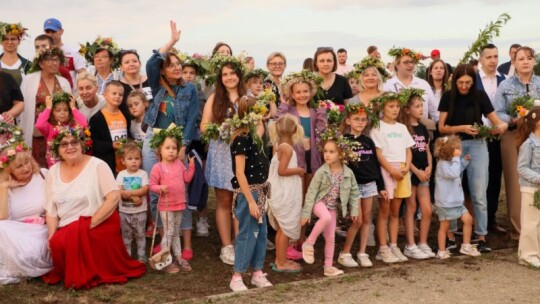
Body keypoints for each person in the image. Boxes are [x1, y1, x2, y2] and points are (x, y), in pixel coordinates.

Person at [43, 126, 146, 289]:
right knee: (56, 243)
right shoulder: (52, 172)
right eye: (64, 144)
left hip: (99, 220)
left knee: (74, 243)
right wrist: (51, 234)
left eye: (74, 142)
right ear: (57, 149)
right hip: (68, 225)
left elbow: (113, 197)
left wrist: (88, 225)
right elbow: (51, 210)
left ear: (82, 144)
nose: (70, 147)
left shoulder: (98, 165)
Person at [438, 64, 508, 253]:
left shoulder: (479, 96)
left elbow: (496, 120)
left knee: (479, 193)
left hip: (477, 145)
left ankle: (481, 235)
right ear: (454, 80)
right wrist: (462, 128)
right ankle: (451, 235)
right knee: (451, 192)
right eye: (460, 82)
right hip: (453, 145)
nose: (464, 86)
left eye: (468, 82)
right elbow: (442, 127)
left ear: (473, 81)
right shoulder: (447, 96)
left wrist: (501, 126)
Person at [143, 22, 199, 254]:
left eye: (179, 64)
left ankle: (185, 243)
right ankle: (164, 238)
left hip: (177, 144)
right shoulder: (157, 85)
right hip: (153, 141)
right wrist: (171, 43)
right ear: (164, 70)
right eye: (171, 65)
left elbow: (191, 120)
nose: (177, 68)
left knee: (179, 192)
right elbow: (151, 63)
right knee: (156, 189)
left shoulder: (190, 89)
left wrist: (184, 146)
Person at [200, 50, 247, 265]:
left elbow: (259, 126)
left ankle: (241, 242)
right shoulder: (214, 99)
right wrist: (224, 129)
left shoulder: (249, 98)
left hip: (244, 153)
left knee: (241, 199)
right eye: (225, 74)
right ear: (220, 78)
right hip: (221, 152)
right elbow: (203, 127)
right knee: (224, 201)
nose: (229, 77)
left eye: (232, 73)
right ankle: (226, 246)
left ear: (239, 75)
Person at [494, 46, 540, 241]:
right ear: (514, 62)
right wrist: (515, 119)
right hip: (513, 135)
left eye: (529, 58)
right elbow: (497, 112)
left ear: (534, 61)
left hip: (538, 135)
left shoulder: (539, 82)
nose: (525, 62)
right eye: (521, 59)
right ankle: (519, 233)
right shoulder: (505, 86)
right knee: (515, 183)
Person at [228, 96, 272, 291]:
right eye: (259, 111)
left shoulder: (259, 135)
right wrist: (251, 202)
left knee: (261, 233)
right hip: (249, 192)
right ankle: (237, 275)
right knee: (247, 232)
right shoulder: (242, 139)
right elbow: (239, 172)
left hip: (260, 190)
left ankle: (257, 272)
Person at [0, 124, 52, 284]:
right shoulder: (6, 186)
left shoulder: (43, 175)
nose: (25, 168)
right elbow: (3, 218)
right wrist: (4, 187)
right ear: (9, 170)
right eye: (18, 166)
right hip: (15, 235)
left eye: (27, 163)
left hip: (40, 233)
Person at [337, 104, 386, 268]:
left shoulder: (368, 141)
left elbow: (375, 165)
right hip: (353, 186)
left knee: (366, 219)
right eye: (356, 119)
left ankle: (362, 253)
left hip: (370, 184)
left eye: (363, 119)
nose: (360, 122)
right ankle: (345, 253)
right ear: (348, 120)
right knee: (356, 220)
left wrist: (381, 186)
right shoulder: (344, 141)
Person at [301, 139, 360, 277]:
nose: (327, 154)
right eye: (325, 151)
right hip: (319, 203)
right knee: (325, 217)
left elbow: (354, 192)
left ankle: (328, 267)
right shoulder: (322, 172)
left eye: (331, 152)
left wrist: (354, 209)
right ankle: (308, 243)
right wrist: (306, 213)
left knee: (330, 237)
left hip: (332, 207)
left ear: (340, 154)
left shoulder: (348, 173)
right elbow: (311, 192)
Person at [370, 92, 415, 263]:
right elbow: (379, 154)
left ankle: (393, 245)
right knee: (385, 211)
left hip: (402, 171)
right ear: (383, 108)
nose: (395, 109)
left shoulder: (402, 128)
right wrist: (391, 170)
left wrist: (405, 168)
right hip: (387, 171)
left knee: (396, 212)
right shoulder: (378, 127)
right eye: (391, 106)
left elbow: (408, 150)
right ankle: (382, 248)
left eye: (397, 106)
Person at [149, 125, 195, 273]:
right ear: (160, 150)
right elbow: (152, 185)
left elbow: (186, 178)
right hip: (166, 206)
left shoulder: (179, 164)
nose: (171, 151)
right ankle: (165, 259)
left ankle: (179, 257)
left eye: (174, 148)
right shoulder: (158, 167)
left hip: (179, 204)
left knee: (175, 232)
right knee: (168, 232)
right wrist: (160, 188)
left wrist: (192, 167)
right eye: (167, 148)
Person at [20, 47, 71, 167]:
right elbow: (23, 106)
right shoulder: (29, 80)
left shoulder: (64, 82)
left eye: (57, 60)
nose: (54, 63)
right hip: (37, 134)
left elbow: (71, 107)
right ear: (41, 64)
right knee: (38, 168)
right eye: (49, 60)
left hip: (58, 134)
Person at [400, 89, 435, 259]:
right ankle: (410, 245)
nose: (421, 109)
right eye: (417, 106)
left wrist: (429, 166)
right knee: (411, 208)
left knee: (427, 210)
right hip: (411, 173)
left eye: (422, 106)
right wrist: (416, 171)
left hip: (424, 173)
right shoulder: (404, 129)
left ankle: (423, 242)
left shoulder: (422, 127)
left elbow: (427, 149)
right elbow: (404, 153)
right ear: (407, 109)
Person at [267, 114, 304, 272]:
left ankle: (279, 258)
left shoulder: (279, 145)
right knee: (284, 228)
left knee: (283, 227)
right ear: (295, 129)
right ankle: (281, 263)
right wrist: (299, 170)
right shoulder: (286, 149)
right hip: (284, 191)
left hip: (282, 188)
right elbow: (282, 171)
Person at [433, 135, 481, 259]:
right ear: (450, 151)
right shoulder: (442, 164)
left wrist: (463, 161)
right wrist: (457, 159)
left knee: (468, 220)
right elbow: (454, 173)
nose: (460, 150)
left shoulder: (451, 162)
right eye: (457, 149)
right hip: (446, 203)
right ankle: (442, 250)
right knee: (444, 227)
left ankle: (465, 245)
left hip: (457, 202)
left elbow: (457, 170)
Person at [476, 44, 506, 234]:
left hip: (499, 135)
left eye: (496, 56)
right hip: (478, 136)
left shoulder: (505, 79)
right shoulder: (473, 79)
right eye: (489, 57)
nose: (493, 60)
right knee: (478, 180)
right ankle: (477, 221)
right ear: (481, 59)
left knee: (495, 178)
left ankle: (491, 219)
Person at [385, 47, 437, 125]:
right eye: (406, 62)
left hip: (421, 131)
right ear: (397, 64)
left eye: (412, 62)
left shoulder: (423, 84)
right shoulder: (387, 85)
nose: (410, 65)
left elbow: (435, 111)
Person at [116, 141, 149, 263]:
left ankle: (141, 254)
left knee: (140, 234)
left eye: (137, 158)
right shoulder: (121, 175)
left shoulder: (143, 174)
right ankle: (127, 254)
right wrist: (133, 197)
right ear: (123, 161)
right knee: (126, 235)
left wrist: (129, 193)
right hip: (124, 212)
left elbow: (145, 189)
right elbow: (119, 190)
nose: (134, 161)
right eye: (130, 159)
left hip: (140, 211)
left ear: (141, 160)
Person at [35, 92, 88, 167]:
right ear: (52, 113)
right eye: (58, 110)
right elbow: (39, 125)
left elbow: (84, 124)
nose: (62, 113)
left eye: (66, 110)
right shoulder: (50, 127)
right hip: (55, 164)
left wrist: (73, 107)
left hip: (73, 161)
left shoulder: (73, 125)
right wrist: (48, 108)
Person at [516, 106, 540, 268]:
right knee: (531, 222)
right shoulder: (529, 144)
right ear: (537, 122)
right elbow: (522, 168)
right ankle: (527, 255)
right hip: (531, 188)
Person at [89, 81, 131, 174]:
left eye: (120, 94)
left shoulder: (126, 115)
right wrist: (111, 145)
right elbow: (94, 142)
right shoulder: (96, 118)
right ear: (105, 95)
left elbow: (129, 135)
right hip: (108, 164)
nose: (117, 96)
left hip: (126, 165)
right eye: (114, 93)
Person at [118, 49, 152, 114]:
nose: (131, 64)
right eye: (127, 62)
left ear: (140, 64)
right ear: (121, 67)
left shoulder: (150, 81)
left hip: (152, 121)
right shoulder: (118, 86)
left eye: (135, 61)